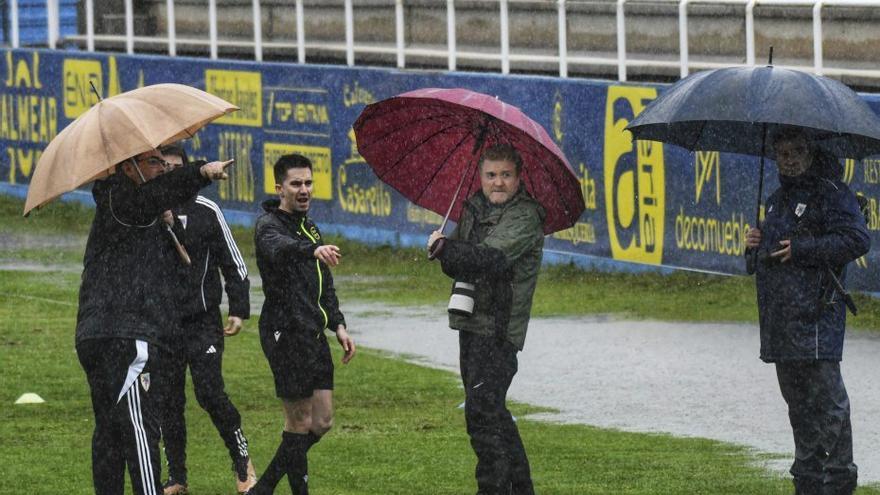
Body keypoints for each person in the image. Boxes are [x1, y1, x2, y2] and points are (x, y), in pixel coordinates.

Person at [75, 149, 233, 495]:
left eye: (163, 162)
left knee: (110, 431)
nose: (162, 167)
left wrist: (169, 227)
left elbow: (177, 264)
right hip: (125, 334)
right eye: (153, 161)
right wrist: (201, 172)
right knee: (139, 429)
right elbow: (155, 196)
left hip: (99, 333)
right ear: (128, 168)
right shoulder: (122, 198)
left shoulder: (134, 207)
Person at [745, 129, 869, 495]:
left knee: (828, 405)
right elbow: (763, 260)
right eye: (783, 154)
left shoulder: (832, 194)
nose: (791, 159)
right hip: (781, 321)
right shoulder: (774, 201)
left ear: (812, 154)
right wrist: (754, 245)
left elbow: (857, 239)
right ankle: (808, 480)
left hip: (817, 316)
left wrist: (804, 248)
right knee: (798, 406)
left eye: (798, 152)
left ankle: (838, 480)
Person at [427, 143, 545, 495]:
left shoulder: (526, 216)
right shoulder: (473, 208)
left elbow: (490, 259)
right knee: (492, 414)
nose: (498, 183)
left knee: (481, 416)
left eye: (505, 175)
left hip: (498, 331)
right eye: (491, 175)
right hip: (469, 326)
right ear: (479, 177)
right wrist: (444, 248)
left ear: (518, 177)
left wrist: (448, 248)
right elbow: (456, 263)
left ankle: (492, 489)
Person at [249, 153, 356, 494]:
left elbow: (325, 283)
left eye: (309, 182)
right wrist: (311, 250)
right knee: (298, 422)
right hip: (285, 331)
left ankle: (263, 487)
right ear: (279, 187)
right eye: (296, 184)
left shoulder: (310, 227)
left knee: (321, 422)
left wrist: (338, 324)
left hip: (312, 330)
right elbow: (281, 250)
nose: (304, 189)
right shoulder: (268, 226)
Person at [155, 143, 256, 495]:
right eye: (161, 166)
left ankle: (243, 463)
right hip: (162, 325)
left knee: (210, 392)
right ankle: (177, 477)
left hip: (202, 322)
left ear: (185, 170)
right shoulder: (146, 212)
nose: (168, 171)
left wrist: (239, 308)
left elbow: (234, 262)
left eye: (175, 166)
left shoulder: (206, 209)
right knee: (168, 400)